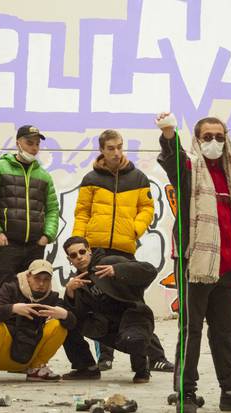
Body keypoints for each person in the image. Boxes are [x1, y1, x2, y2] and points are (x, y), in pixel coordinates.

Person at [157, 112, 231, 413]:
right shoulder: (189, 169)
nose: (214, 142)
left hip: (228, 267)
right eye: (207, 137)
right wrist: (168, 133)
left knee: (224, 331)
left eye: (220, 137)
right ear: (197, 140)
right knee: (191, 330)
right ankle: (186, 394)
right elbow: (172, 159)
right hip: (195, 263)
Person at [72, 129, 173, 373]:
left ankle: (154, 357)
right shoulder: (91, 179)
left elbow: (147, 208)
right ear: (101, 150)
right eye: (111, 148)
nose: (116, 152)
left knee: (134, 305)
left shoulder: (137, 178)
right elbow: (82, 212)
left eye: (119, 147)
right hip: (95, 250)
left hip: (124, 250)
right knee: (98, 304)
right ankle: (105, 358)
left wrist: (134, 230)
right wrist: (79, 243)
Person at [60, 236, 157, 384]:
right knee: (65, 320)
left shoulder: (109, 262)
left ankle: (141, 369)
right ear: (69, 260)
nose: (79, 257)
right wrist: (70, 293)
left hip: (133, 319)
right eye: (73, 255)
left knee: (134, 340)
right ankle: (87, 367)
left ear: (89, 251)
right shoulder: (77, 282)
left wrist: (118, 270)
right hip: (106, 327)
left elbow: (150, 271)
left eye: (82, 252)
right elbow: (76, 315)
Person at [0, 125, 59, 298]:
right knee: (1, 292)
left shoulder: (44, 176)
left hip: (35, 246)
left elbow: (53, 209)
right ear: (18, 143)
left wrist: (47, 236)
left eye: (37, 144)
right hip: (7, 244)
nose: (34, 148)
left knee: (33, 294)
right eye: (29, 143)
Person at [0, 260, 75, 385]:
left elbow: (72, 323)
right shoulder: (10, 289)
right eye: (37, 278)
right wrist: (13, 308)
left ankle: (36, 369)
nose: (41, 283)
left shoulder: (52, 298)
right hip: (0, 356)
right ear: (28, 276)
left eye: (46, 279)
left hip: (29, 356)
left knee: (59, 325)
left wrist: (64, 315)